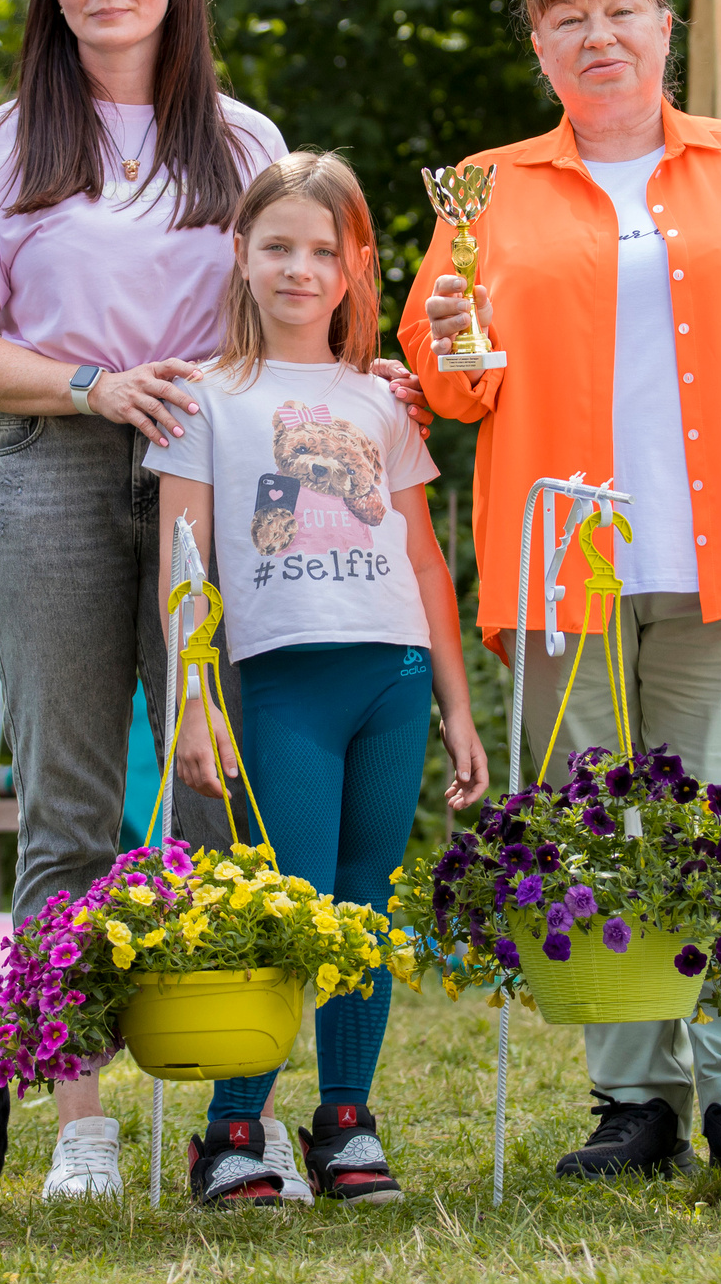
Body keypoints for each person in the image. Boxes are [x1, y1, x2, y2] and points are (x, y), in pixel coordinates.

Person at [402, 0, 721, 1180]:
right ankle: (634, 1101)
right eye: (569, 21)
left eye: (620, 11)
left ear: (665, 28)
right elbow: (443, 390)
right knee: (590, 828)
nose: (598, 36)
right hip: (563, 566)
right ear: (539, 49)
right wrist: (451, 342)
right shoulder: (483, 189)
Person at [0, 0, 315, 1201]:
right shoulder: (2, 145)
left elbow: (297, 309)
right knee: (69, 808)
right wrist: (89, 384)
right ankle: (80, 1124)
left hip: (212, 483)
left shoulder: (246, 144)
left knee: (216, 793)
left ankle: (231, 1131)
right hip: (55, 473)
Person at [144, 151, 491, 1208]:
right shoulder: (204, 395)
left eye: (320, 251)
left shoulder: (384, 396)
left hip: (388, 677)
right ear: (240, 256)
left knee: (365, 906)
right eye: (277, 246)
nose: (299, 269)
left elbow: (424, 559)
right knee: (288, 905)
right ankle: (231, 1129)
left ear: (353, 267)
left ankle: (345, 1120)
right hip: (282, 684)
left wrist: (456, 699)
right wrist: (193, 701)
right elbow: (184, 560)